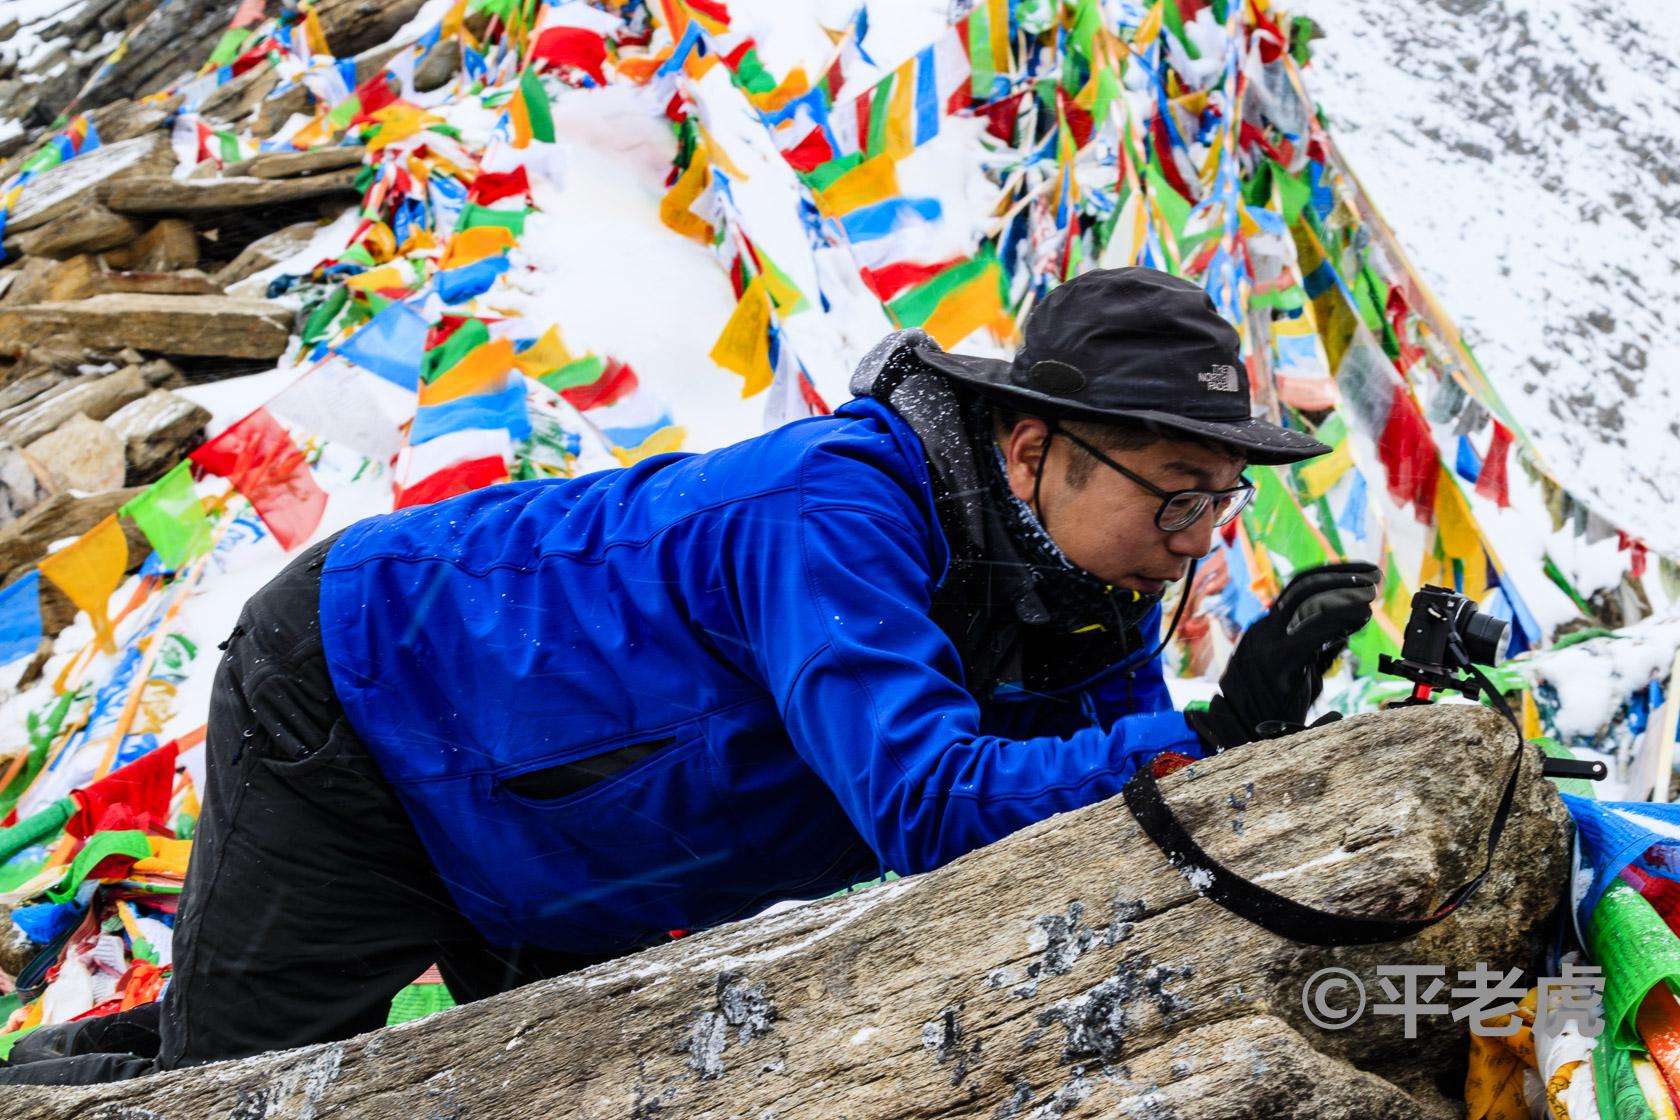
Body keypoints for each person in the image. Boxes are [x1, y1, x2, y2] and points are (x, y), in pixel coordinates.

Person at [0, 267, 1379, 1083]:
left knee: (519, 1082)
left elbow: (1125, 798)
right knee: (243, 1089)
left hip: (564, 836)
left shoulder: (1090, 589)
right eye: (1175, 491)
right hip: (374, 708)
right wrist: (1208, 739)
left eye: (1220, 503)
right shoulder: (837, 513)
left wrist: (1238, 747)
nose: (1195, 538)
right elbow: (926, 800)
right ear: (1034, 447)